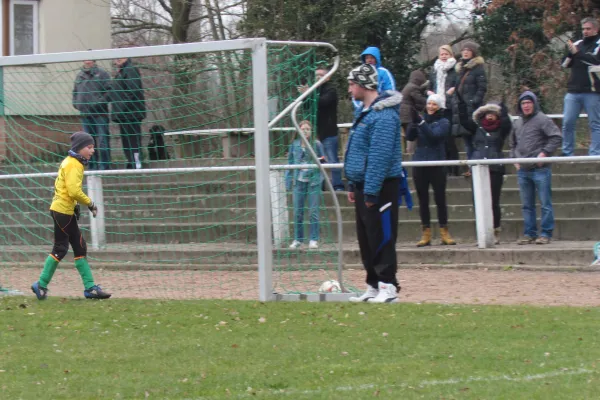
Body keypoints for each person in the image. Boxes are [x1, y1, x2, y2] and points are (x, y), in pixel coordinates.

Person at [344, 64, 403, 303]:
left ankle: (388, 284)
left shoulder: (385, 115)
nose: (349, 89)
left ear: (362, 84)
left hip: (380, 187)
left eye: (351, 84)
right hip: (363, 185)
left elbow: (380, 155)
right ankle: (373, 284)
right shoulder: (365, 113)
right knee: (366, 237)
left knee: (382, 236)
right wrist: (353, 184)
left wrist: (371, 191)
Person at [31, 131, 111, 300]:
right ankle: (42, 284)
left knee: (79, 247)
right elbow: (74, 190)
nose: (92, 151)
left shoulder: (70, 162)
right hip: (62, 211)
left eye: (93, 147)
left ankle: (89, 288)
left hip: (63, 210)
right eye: (89, 147)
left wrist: (74, 206)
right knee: (62, 248)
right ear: (80, 148)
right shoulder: (74, 164)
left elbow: (64, 188)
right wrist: (90, 203)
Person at [510, 91, 562, 245]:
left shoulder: (543, 119)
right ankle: (529, 233)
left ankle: (546, 233)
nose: (526, 106)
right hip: (523, 170)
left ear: (534, 103)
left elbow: (556, 137)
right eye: (523, 103)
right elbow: (512, 143)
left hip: (540, 169)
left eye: (529, 103)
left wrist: (544, 153)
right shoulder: (517, 122)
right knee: (527, 205)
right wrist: (514, 159)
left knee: (545, 203)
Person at [406, 94, 456, 247]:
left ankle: (444, 231)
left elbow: (434, 136)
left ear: (439, 106)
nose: (431, 107)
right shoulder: (421, 121)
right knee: (423, 200)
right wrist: (413, 123)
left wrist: (421, 122)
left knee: (440, 199)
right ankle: (426, 232)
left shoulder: (444, 122)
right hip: (420, 163)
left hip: (437, 163)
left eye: (434, 104)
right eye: (429, 104)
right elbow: (410, 136)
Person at [470, 102, 513, 244]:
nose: (490, 115)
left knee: (494, 201)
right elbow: (464, 121)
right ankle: (481, 232)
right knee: (479, 202)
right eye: (487, 113)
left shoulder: (501, 130)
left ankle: (495, 231)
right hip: (479, 167)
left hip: (495, 168)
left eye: (493, 113)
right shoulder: (477, 129)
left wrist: (504, 111)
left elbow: (507, 125)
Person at [298, 66, 343, 190]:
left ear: (328, 77)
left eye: (321, 75)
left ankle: (338, 185)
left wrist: (310, 92)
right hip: (316, 132)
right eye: (316, 76)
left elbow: (323, 102)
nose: (318, 78)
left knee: (332, 160)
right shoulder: (314, 90)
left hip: (329, 132)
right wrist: (304, 95)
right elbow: (306, 106)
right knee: (317, 160)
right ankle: (321, 185)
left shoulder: (331, 90)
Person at [561, 17, 600, 156]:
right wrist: (571, 54)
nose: (585, 31)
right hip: (573, 91)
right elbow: (564, 64)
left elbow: (595, 61)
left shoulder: (598, 44)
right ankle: (567, 153)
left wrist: (578, 53)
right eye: (583, 29)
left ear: (596, 29)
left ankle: (595, 154)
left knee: (595, 124)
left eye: (588, 29)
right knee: (567, 122)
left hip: (593, 91)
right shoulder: (577, 43)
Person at [286, 120, 325, 250]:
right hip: (299, 181)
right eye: (303, 129)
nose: (305, 131)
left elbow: (324, 162)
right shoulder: (294, 145)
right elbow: (290, 163)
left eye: (308, 129)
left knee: (313, 211)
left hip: (314, 181)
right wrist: (288, 181)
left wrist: (320, 174)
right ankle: (298, 239)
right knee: (298, 211)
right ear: (298, 130)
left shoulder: (317, 144)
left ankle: (313, 239)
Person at [451, 41, 487, 176]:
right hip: (461, 110)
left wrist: (474, 102)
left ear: (473, 52)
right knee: (467, 141)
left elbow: (482, 88)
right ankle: (471, 167)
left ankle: (475, 166)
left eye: (468, 50)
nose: (465, 52)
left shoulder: (478, 69)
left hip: (472, 109)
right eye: (463, 50)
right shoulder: (460, 69)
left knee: (475, 140)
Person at [72, 59, 112, 170]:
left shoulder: (102, 74)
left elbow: (109, 92)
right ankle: (92, 167)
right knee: (88, 143)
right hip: (85, 115)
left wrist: (98, 103)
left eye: (89, 59)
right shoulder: (79, 76)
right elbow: (75, 92)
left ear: (94, 60)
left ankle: (105, 166)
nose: (87, 61)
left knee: (103, 140)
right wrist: (77, 104)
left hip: (100, 114)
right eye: (85, 59)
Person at [428, 45, 460, 176]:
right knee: (441, 139)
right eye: (442, 54)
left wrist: (453, 90)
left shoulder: (455, 69)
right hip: (436, 106)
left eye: (446, 54)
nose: (444, 56)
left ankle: (454, 168)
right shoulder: (434, 70)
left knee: (449, 139)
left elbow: (458, 84)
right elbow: (430, 85)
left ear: (451, 55)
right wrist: (429, 92)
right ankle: (444, 168)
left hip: (450, 106)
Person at [111, 57, 146, 169]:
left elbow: (133, 92)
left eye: (119, 57)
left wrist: (121, 107)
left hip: (131, 114)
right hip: (123, 115)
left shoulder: (130, 70)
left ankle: (137, 164)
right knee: (126, 141)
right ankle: (131, 162)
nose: (117, 59)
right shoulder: (121, 72)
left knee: (133, 141)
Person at [399, 70, 428, 154]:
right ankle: (410, 152)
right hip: (408, 114)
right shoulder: (413, 87)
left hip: (402, 114)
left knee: (407, 133)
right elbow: (419, 99)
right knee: (411, 133)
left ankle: (407, 151)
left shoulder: (408, 86)